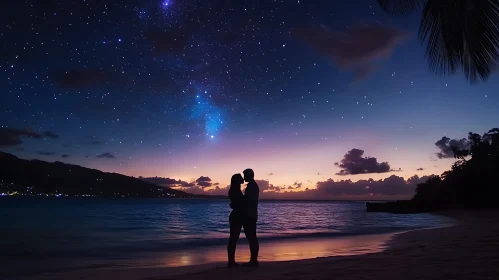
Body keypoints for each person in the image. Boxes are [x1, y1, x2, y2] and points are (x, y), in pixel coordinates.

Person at [242, 168, 259, 267]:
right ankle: (253, 260)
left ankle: (253, 261)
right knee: (252, 238)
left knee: (252, 238)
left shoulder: (252, 186)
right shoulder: (253, 185)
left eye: (245, 175)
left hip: (250, 215)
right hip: (251, 214)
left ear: (249, 175)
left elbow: (248, 200)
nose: (244, 177)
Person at [227, 173, 245, 267]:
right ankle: (231, 261)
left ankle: (231, 260)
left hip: (236, 215)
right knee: (233, 239)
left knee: (233, 239)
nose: (243, 179)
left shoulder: (235, 190)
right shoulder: (235, 190)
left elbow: (236, 203)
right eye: (240, 178)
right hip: (236, 216)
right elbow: (238, 203)